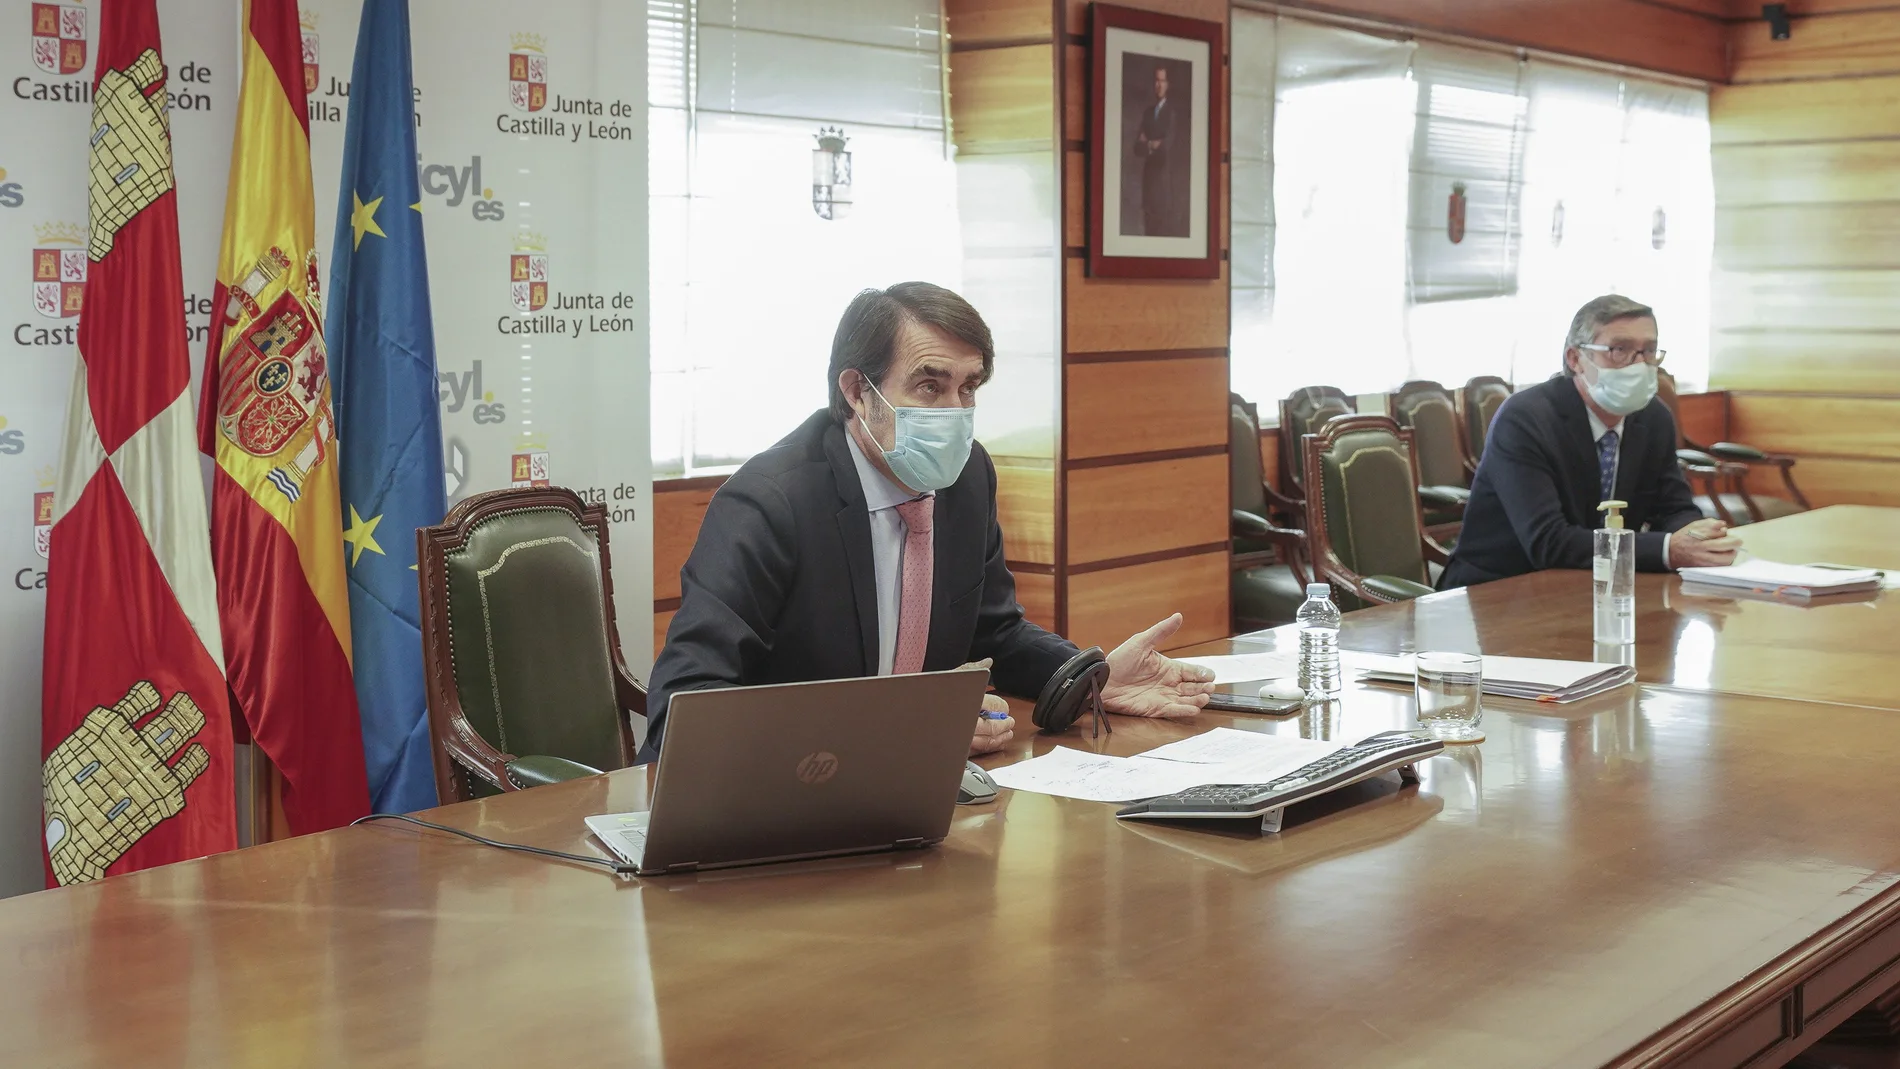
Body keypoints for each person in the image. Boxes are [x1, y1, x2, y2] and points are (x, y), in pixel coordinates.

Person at [642, 283, 1217, 762]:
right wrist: (889, 731)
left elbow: (994, 631)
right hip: (782, 799)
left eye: (968, 387)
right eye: (929, 385)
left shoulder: (967, 479)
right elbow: (686, 707)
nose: (955, 413)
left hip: (920, 801)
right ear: (857, 393)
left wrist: (1088, 678)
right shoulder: (770, 505)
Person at [1439, 294, 1740, 589]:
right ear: (1576, 358)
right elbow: (1548, 541)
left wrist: (1696, 536)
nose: (1638, 364)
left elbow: (1674, 508)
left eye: (1648, 351)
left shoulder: (1653, 417)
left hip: (1601, 585)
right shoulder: (1525, 419)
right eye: (1619, 350)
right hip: (1501, 590)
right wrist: (1667, 549)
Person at [1133, 63, 1177, 237]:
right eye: (1156, 81)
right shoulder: (1147, 113)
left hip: (1163, 181)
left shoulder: (1172, 113)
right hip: (1148, 182)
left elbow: (1167, 145)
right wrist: (1153, 144)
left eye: (1162, 81)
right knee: (1148, 229)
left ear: (1168, 84)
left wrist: (1148, 143)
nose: (1159, 85)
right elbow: (1137, 148)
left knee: (1161, 232)